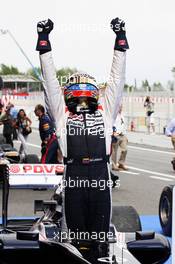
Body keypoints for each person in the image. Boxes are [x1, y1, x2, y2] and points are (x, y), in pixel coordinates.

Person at [36, 17, 129, 263]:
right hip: (73, 175)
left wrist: (120, 42)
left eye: (86, 93)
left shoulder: (106, 113)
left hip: (101, 175)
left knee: (100, 238)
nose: (83, 100)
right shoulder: (61, 116)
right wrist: (44, 42)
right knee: (73, 239)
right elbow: (50, 83)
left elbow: (117, 80)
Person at [111, 104, 128, 171]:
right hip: (116, 135)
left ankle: (121, 163)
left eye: (121, 107)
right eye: (119, 107)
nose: (120, 108)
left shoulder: (122, 116)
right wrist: (113, 133)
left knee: (125, 149)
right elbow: (111, 124)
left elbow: (123, 125)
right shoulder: (113, 116)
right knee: (114, 152)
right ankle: (114, 165)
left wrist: (125, 135)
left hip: (122, 135)